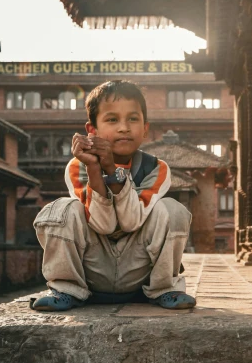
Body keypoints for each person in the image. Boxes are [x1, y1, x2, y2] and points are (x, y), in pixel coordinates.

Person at [30, 80, 196, 312]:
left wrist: (112, 170)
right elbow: (103, 225)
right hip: (93, 269)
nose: (124, 128)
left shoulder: (156, 169)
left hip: (138, 271)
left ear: (145, 128)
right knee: (62, 209)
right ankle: (66, 289)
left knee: (172, 209)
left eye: (133, 119)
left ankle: (165, 288)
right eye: (112, 119)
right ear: (92, 130)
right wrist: (96, 170)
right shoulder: (77, 167)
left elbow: (131, 221)